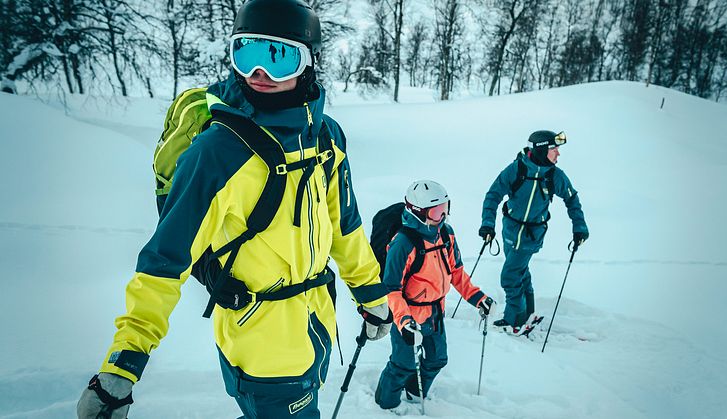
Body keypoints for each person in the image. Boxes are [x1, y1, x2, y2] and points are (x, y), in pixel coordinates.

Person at [76, 1, 392, 418]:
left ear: (308, 64)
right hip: (261, 344)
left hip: (315, 328)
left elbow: (344, 226)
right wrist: (125, 363)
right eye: (246, 53)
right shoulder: (218, 152)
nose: (258, 73)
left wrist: (371, 295)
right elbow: (165, 262)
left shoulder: (326, 136)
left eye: (278, 57)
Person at [374, 180, 494, 410]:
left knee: (438, 358)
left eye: (446, 208)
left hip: (436, 311)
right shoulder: (402, 243)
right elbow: (391, 289)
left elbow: (456, 272)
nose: (444, 216)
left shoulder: (446, 235)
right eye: (438, 211)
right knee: (403, 364)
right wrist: (404, 321)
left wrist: (477, 297)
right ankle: (386, 405)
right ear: (418, 212)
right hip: (408, 314)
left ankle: (413, 391)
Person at [479, 130, 589, 336]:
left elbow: (572, 200)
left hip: (532, 234)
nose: (558, 154)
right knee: (520, 271)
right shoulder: (517, 169)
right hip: (510, 230)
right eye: (554, 149)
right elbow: (493, 195)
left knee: (510, 276)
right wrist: (487, 224)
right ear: (541, 150)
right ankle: (528, 312)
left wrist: (579, 227)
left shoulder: (555, 175)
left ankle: (514, 321)